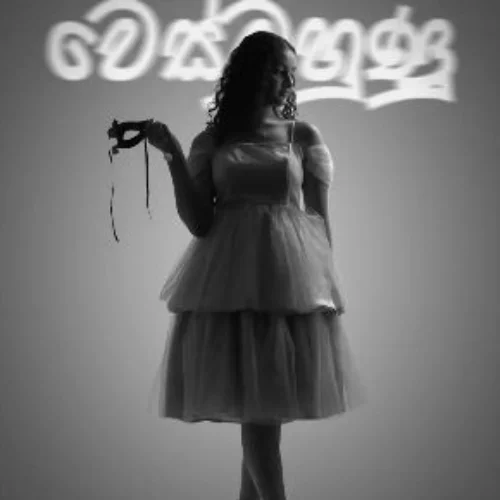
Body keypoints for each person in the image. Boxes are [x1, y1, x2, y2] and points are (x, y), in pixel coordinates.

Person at [147, 31, 366, 500]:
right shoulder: (213, 140)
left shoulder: (303, 136)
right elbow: (199, 221)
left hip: (288, 288)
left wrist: (327, 288)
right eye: (278, 70)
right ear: (251, 72)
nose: (288, 81)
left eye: (292, 72)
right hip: (227, 287)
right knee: (259, 419)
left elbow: (319, 222)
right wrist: (171, 154)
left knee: (262, 419)